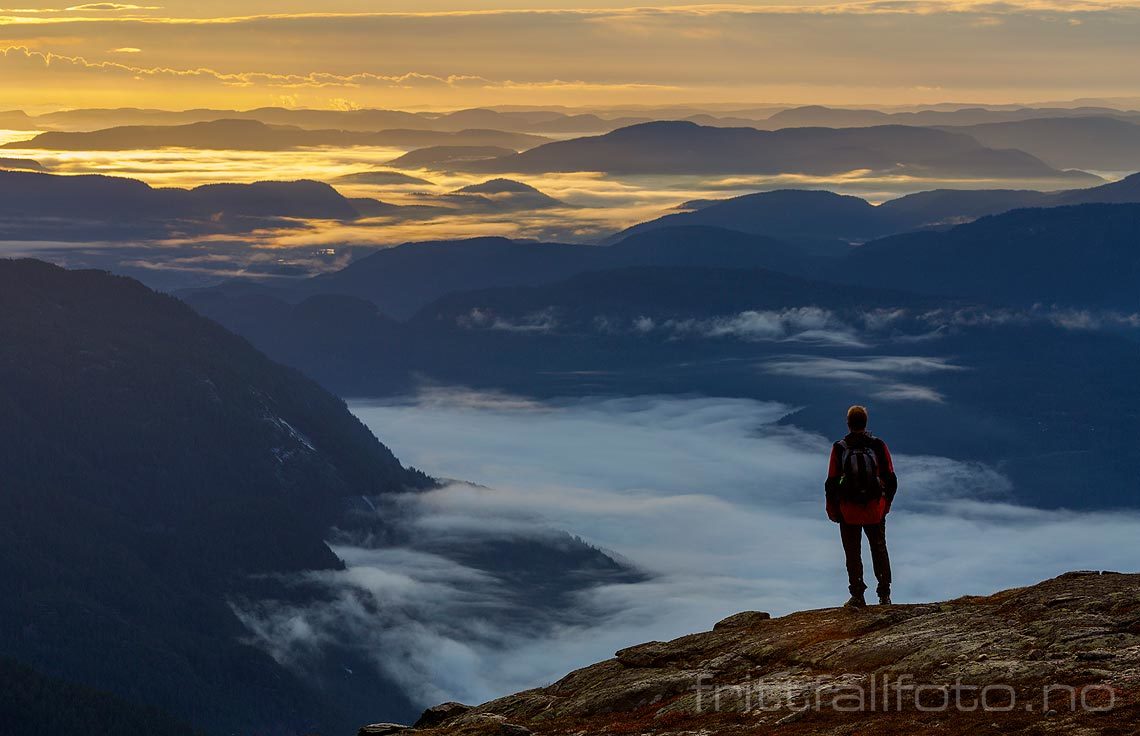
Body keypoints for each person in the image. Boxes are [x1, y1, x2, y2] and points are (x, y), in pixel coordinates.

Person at [825, 405, 897, 608]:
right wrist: (886, 505)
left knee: (852, 552)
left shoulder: (840, 448)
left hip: (848, 511)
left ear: (848, 424)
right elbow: (890, 478)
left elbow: (831, 482)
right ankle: (884, 594)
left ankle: (857, 595)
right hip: (875, 509)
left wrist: (833, 509)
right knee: (879, 549)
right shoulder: (878, 446)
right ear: (865, 423)